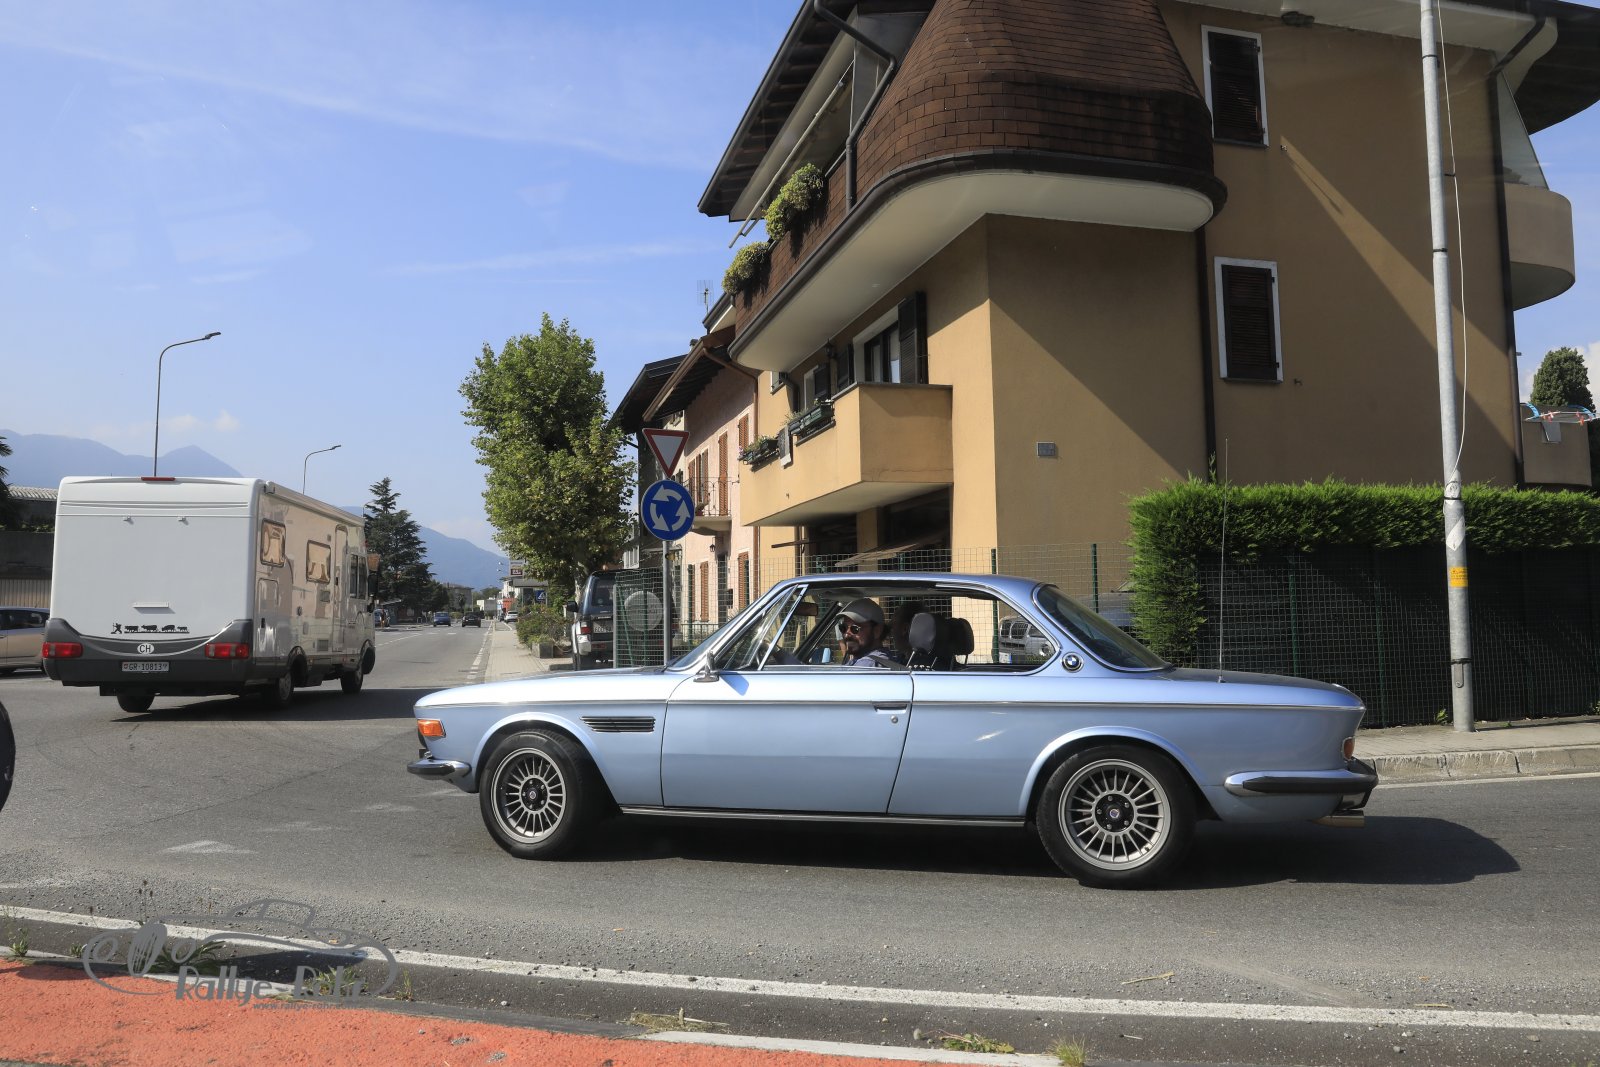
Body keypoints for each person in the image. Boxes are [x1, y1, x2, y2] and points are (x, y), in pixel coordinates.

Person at [838, 598, 903, 668]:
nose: (846, 635)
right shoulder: (882, 657)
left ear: (877, 631)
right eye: (843, 628)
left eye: (855, 628)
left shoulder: (867, 664)